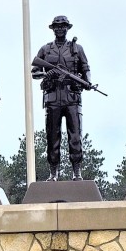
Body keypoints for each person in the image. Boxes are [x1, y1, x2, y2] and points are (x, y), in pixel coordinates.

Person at [31, 15, 92, 181]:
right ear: (53, 29)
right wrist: (47, 73)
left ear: (67, 28)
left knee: (75, 136)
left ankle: (76, 172)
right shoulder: (45, 49)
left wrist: (87, 82)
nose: (60, 29)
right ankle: (53, 173)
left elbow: (86, 69)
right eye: (57, 26)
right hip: (52, 98)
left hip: (72, 97)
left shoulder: (77, 48)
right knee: (52, 137)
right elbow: (35, 71)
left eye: (63, 26)